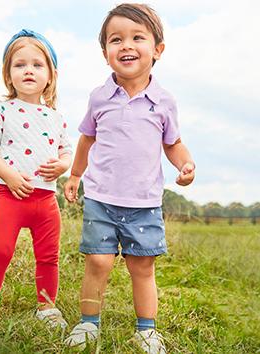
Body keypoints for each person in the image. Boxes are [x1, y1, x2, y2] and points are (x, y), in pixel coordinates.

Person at [63, 4, 195, 353]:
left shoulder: (164, 101)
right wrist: (75, 174)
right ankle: (88, 324)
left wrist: (185, 164)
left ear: (157, 50)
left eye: (138, 38)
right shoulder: (99, 97)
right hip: (101, 197)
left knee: (142, 265)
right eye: (115, 39)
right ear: (105, 53)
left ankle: (146, 330)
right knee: (98, 261)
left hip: (144, 203)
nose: (126, 46)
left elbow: (174, 144)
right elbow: (87, 139)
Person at [0, 29, 72, 329]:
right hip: (10, 197)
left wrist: (63, 166)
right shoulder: (1, 109)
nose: (29, 70)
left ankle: (47, 308)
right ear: (8, 74)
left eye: (38, 65)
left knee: (49, 256)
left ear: (51, 75)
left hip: (45, 201)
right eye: (20, 64)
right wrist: (10, 176)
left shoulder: (56, 117)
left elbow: (67, 151)